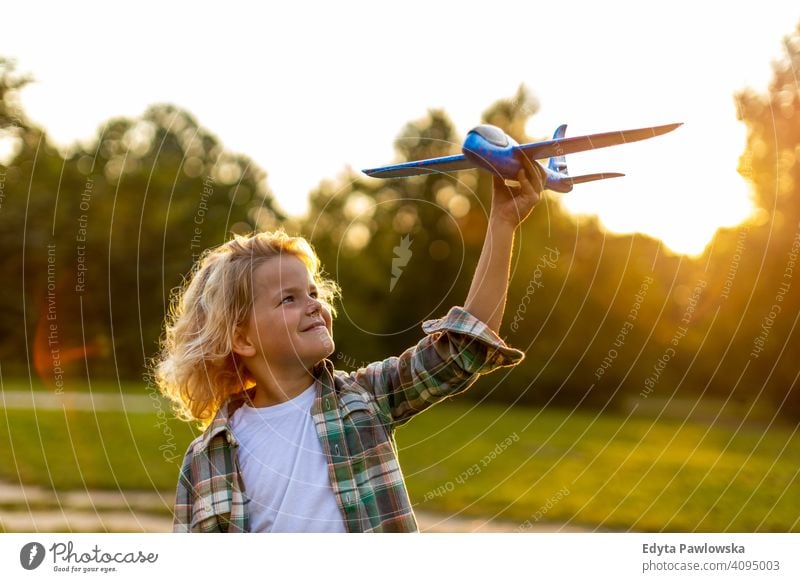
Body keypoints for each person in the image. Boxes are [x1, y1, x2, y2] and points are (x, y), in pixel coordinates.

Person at [154, 159, 545, 532]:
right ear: (240, 338)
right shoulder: (206, 459)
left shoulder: (364, 398)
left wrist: (503, 222)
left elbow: (464, 347)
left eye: (312, 291)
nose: (313, 305)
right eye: (288, 299)